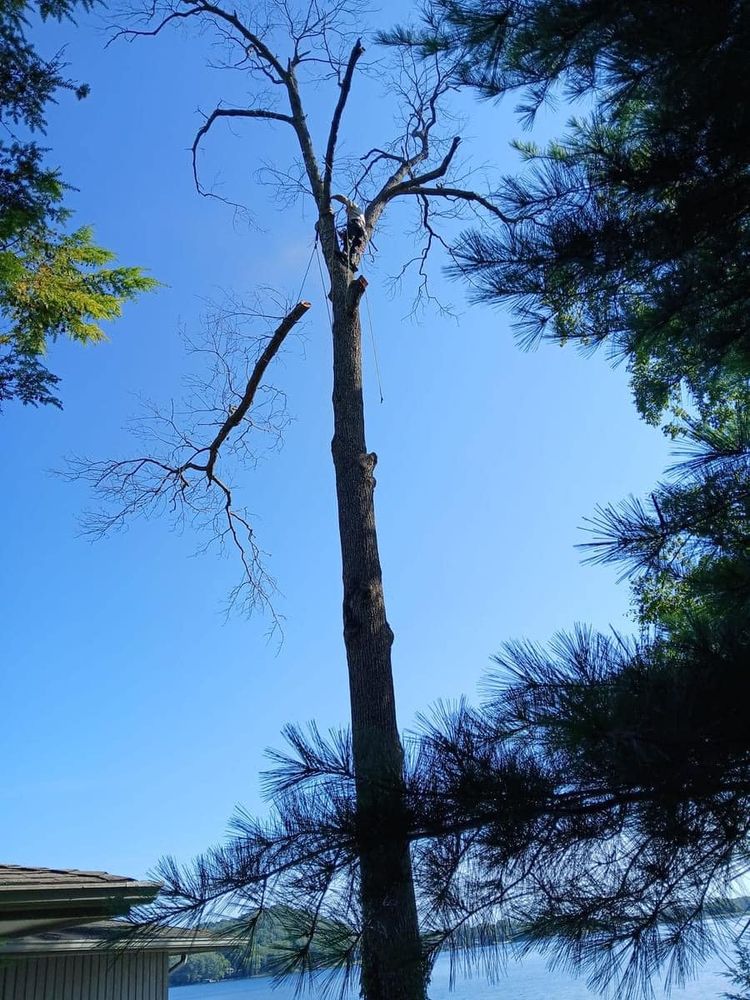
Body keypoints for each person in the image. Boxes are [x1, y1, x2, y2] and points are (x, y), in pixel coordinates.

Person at [332, 194, 367, 268]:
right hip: (361, 231)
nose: (347, 212)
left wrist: (334, 197)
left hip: (355, 224)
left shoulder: (353, 206)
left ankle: (345, 253)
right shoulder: (360, 214)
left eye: (347, 211)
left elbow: (343, 199)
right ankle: (352, 261)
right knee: (355, 245)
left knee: (348, 239)